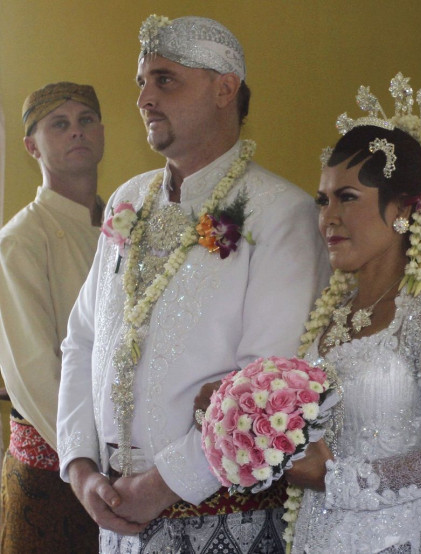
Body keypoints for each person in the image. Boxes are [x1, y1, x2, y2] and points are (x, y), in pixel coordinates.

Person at [56, 15, 329, 553]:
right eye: (141, 82)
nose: (144, 98)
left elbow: (267, 379)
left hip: (223, 516)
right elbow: (82, 339)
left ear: (224, 88)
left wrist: (161, 486)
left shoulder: (280, 213)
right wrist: (81, 469)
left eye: (165, 79)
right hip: (116, 512)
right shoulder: (126, 201)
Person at [280, 73, 421, 553]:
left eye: (347, 198)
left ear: (401, 210)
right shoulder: (330, 314)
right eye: (323, 199)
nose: (328, 217)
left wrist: (337, 478)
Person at [0, 81, 104, 553]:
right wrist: (90, 462)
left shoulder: (129, 221)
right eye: (59, 124)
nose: (76, 132)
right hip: (55, 474)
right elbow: (35, 372)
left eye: (85, 120)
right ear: (31, 146)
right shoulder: (20, 239)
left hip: (129, 466)